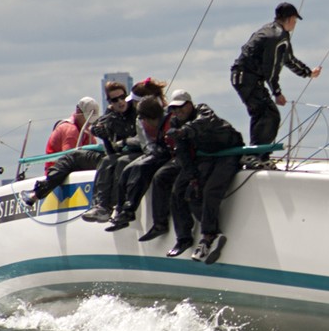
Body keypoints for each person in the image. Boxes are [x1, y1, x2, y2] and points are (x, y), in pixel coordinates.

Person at [230, 2, 321, 168]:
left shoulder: (272, 32)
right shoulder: (277, 37)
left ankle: (259, 156)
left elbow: (288, 59)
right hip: (247, 78)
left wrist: (308, 73)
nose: (295, 24)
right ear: (290, 19)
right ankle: (255, 156)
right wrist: (277, 92)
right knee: (267, 114)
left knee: (265, 113)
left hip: (244, 77)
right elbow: (270, 68)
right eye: (295, 20)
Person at [164, 90, 244, 263]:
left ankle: (207, 237)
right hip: (208, 155)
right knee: (189, 192)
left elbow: (203, 123)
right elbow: (183, 154)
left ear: (190, 105)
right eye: (173, 109)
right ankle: (199, 235)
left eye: (180, 108)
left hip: (228, 153)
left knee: (211, 190)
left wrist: (184, 131)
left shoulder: (203, 112)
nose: (177, 112)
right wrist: (192, 177)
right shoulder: (176, 123)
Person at [105, 96, 173, 231]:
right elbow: (146, 143)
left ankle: (132, 209)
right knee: (127, 169)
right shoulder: (141, 121)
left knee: (142, 169)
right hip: (153, 151)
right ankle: (121, 211)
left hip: (167, 154)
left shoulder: (168, 120)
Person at [20, 97, 101, 206]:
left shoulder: (86, 132)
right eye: (87, 119)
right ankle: (38, 193)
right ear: (78, 112)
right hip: (57, 173)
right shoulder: (70, 130)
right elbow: (69, 158)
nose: (89, 123)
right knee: (74, 157)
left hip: (69, 170)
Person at [80, 81, 141, 221]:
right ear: (110, 102)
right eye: (115, 100)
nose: (120, 102)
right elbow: (111, 150)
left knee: (121, 162)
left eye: (122, 97)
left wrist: (124, 143)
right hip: (124, 152)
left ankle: (119, 206)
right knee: (106, 161)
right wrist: (103, 135)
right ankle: (101, 206)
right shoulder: (110, 115)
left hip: (140, 151)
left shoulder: (137, 110)